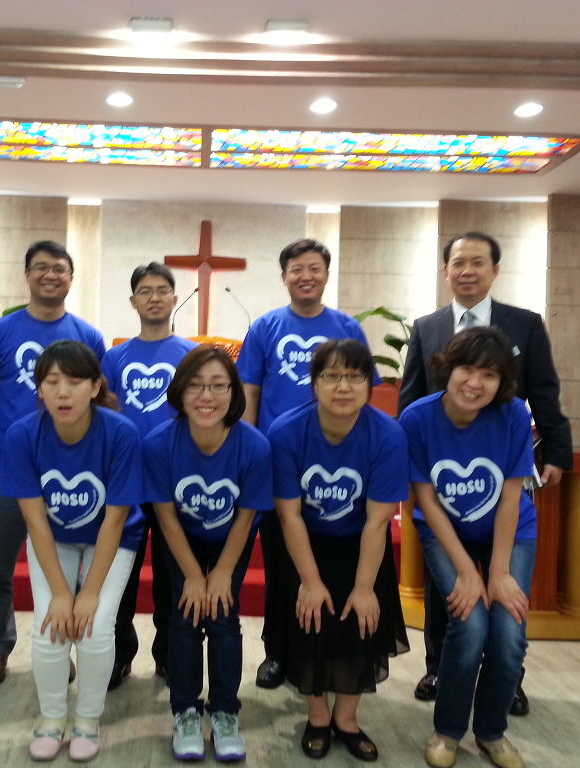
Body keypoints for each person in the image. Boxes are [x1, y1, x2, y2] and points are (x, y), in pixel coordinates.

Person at [400, 231, 572, 715]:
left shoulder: (525, 324)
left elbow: (543, 390)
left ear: (495, 270)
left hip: (500, 470)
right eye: (459, 263)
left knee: (503, 599)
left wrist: (556, 449)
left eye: (478, 262)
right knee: (448, 592)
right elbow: (412, 394)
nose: (467, 271)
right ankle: (440, 667)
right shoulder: (427, 326)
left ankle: (505, 681)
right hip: (440, 479)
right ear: (446, 271)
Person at [237, 238, 380, 690]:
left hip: (338, 458)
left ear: (326, 275)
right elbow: (250, 391)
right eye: (296, 269)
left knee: (332, 565)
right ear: (284, 277)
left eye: (314, 268)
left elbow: (365, 388)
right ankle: (277, 653)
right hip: (279, 460)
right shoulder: (265, 327)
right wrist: (248, 450)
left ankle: (330, 653)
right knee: (281, 564)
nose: (306, 276)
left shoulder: (347, 327)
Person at [0, 340, 145, 762]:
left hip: (111, 540)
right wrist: (62, 593)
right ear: (39, 389)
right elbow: (36, 521)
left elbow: (115, 519)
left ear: (96, 387)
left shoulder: (121, 433)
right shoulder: (23, 434)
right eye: (52, 381)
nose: (63, 392)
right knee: (51, 626)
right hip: (54, 540)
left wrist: (90, 592)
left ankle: (88, 720)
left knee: (95, 626)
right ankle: (51, 717)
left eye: (75, 381)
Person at [400, 327, 536, 768]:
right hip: (444, 532)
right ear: (448, 368)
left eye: (490, 375)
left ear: (502, 382)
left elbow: (511, 496)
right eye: (468, 369)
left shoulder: (513, 415)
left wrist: (497, 572)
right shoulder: (417, 418)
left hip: (510, 531)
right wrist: (466, 570)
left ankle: (492, 732)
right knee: (470, 623)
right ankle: (448, 730)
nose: (476, 383)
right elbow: (425, 499)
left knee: (509, 630)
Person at [0, 240, 105, 687]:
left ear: (71, 277)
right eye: (41, 267)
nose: (51, 275)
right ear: (27, 274)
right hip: (7, 466)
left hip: (70, 471)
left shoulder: (88, 336)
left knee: (65, 568)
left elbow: (96, 399)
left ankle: (59, 650)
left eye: (60, 268)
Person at [269, 339, 409, 762]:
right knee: (309, 624)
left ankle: (346, 719)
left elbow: (378, 521)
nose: (343, 386)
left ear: (369, 384)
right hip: (304, 543)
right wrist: (310, 582)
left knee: (360, 626)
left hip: (361, 544)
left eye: (355, 376)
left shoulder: (388, 435)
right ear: (314, 384)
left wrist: (364, 588)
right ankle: (317, 717)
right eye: (331, 376)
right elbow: (290, 516)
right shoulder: (286, 432)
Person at [143, 345, 272, 762]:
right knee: (185, 613)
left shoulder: (254, 446)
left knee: (222, 612)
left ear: (234, 393)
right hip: (182, 536)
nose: (206, 396)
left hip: (231, 536)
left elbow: (246, 517)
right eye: (196, 385)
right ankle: (185, 711)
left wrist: (221, 574)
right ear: (179, 391)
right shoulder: (159, 444)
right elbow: (166, 518)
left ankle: (224, 712)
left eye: (218, 386)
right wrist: (194, 576)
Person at [101, 262, 197, 690]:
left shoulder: (191, 355)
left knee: (172, 574)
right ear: (133, 301)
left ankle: (170, 655)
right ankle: (119, 655)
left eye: (162, 290)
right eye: (145, 290)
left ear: (174, 299)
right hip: (125, 478)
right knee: (120, 573)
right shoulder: (115, 357)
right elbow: (104, 415)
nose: (154, 297)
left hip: (175, 478)